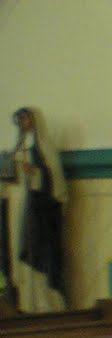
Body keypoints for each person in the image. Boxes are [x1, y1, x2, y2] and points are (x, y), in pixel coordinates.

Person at [4, 107, 68, 312]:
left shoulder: (44, 148)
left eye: (25, 120)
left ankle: (45, 303)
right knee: (22, 252)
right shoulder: (19, 148)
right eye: (20, 121)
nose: (22, 125)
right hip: (22, 206)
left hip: (40, 210)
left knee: (39, 254)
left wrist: (32, 172)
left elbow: (54, 180)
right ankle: (27, 302)